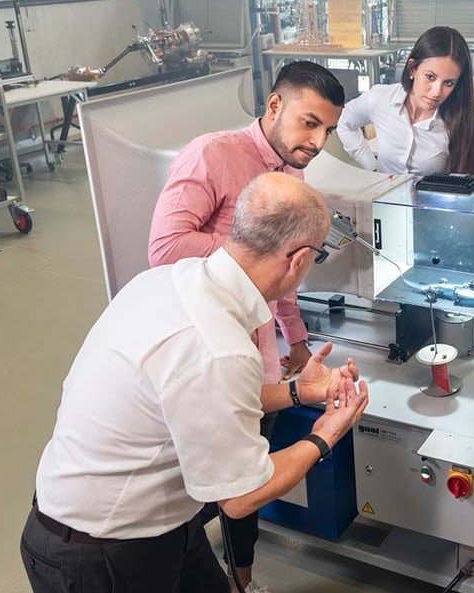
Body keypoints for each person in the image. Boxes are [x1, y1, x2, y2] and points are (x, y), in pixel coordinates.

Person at [21, 172, 370, 593]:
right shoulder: (217, 345)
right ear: (297, 260)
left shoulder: (170, 279)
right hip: (98, 551)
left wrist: (300, 390)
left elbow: (206, 400)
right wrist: (325, 434)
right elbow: (242, 495)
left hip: (158, 523)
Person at [148, 61, 345, 592]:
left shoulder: (292, 171)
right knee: (217, 488)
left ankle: (243, 580)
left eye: (328, 129)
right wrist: (252, 253)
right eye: (310, 123)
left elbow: (282, 277)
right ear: (274, 105)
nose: (318, 141)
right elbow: (164, 249)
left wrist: (297, 342)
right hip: (208, 353)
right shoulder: (212, 154)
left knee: (244, 485)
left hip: (256, 352)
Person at [336, 26, 474, 178]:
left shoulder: (458, 122)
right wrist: (371, 166)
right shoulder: (380, 99)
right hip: (381, 197)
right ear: (412, 69)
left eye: (448, 83)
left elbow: (465, 190)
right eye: (430, 77)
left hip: (432, 201)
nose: (436, 92)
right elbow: (344, 120)